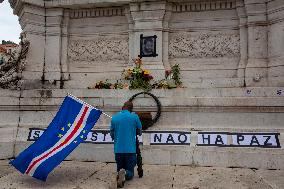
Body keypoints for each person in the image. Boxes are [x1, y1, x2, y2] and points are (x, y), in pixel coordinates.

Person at [110, 101, 142, 188]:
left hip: (118, 150)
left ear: (122, 107)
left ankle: (120, 173)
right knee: (130, 173)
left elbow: (112, 134)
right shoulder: (134, 116)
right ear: (131, 109)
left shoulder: (114, 118)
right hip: (130, 150)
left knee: (119, 169)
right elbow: (139, 132)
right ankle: (125, 173)